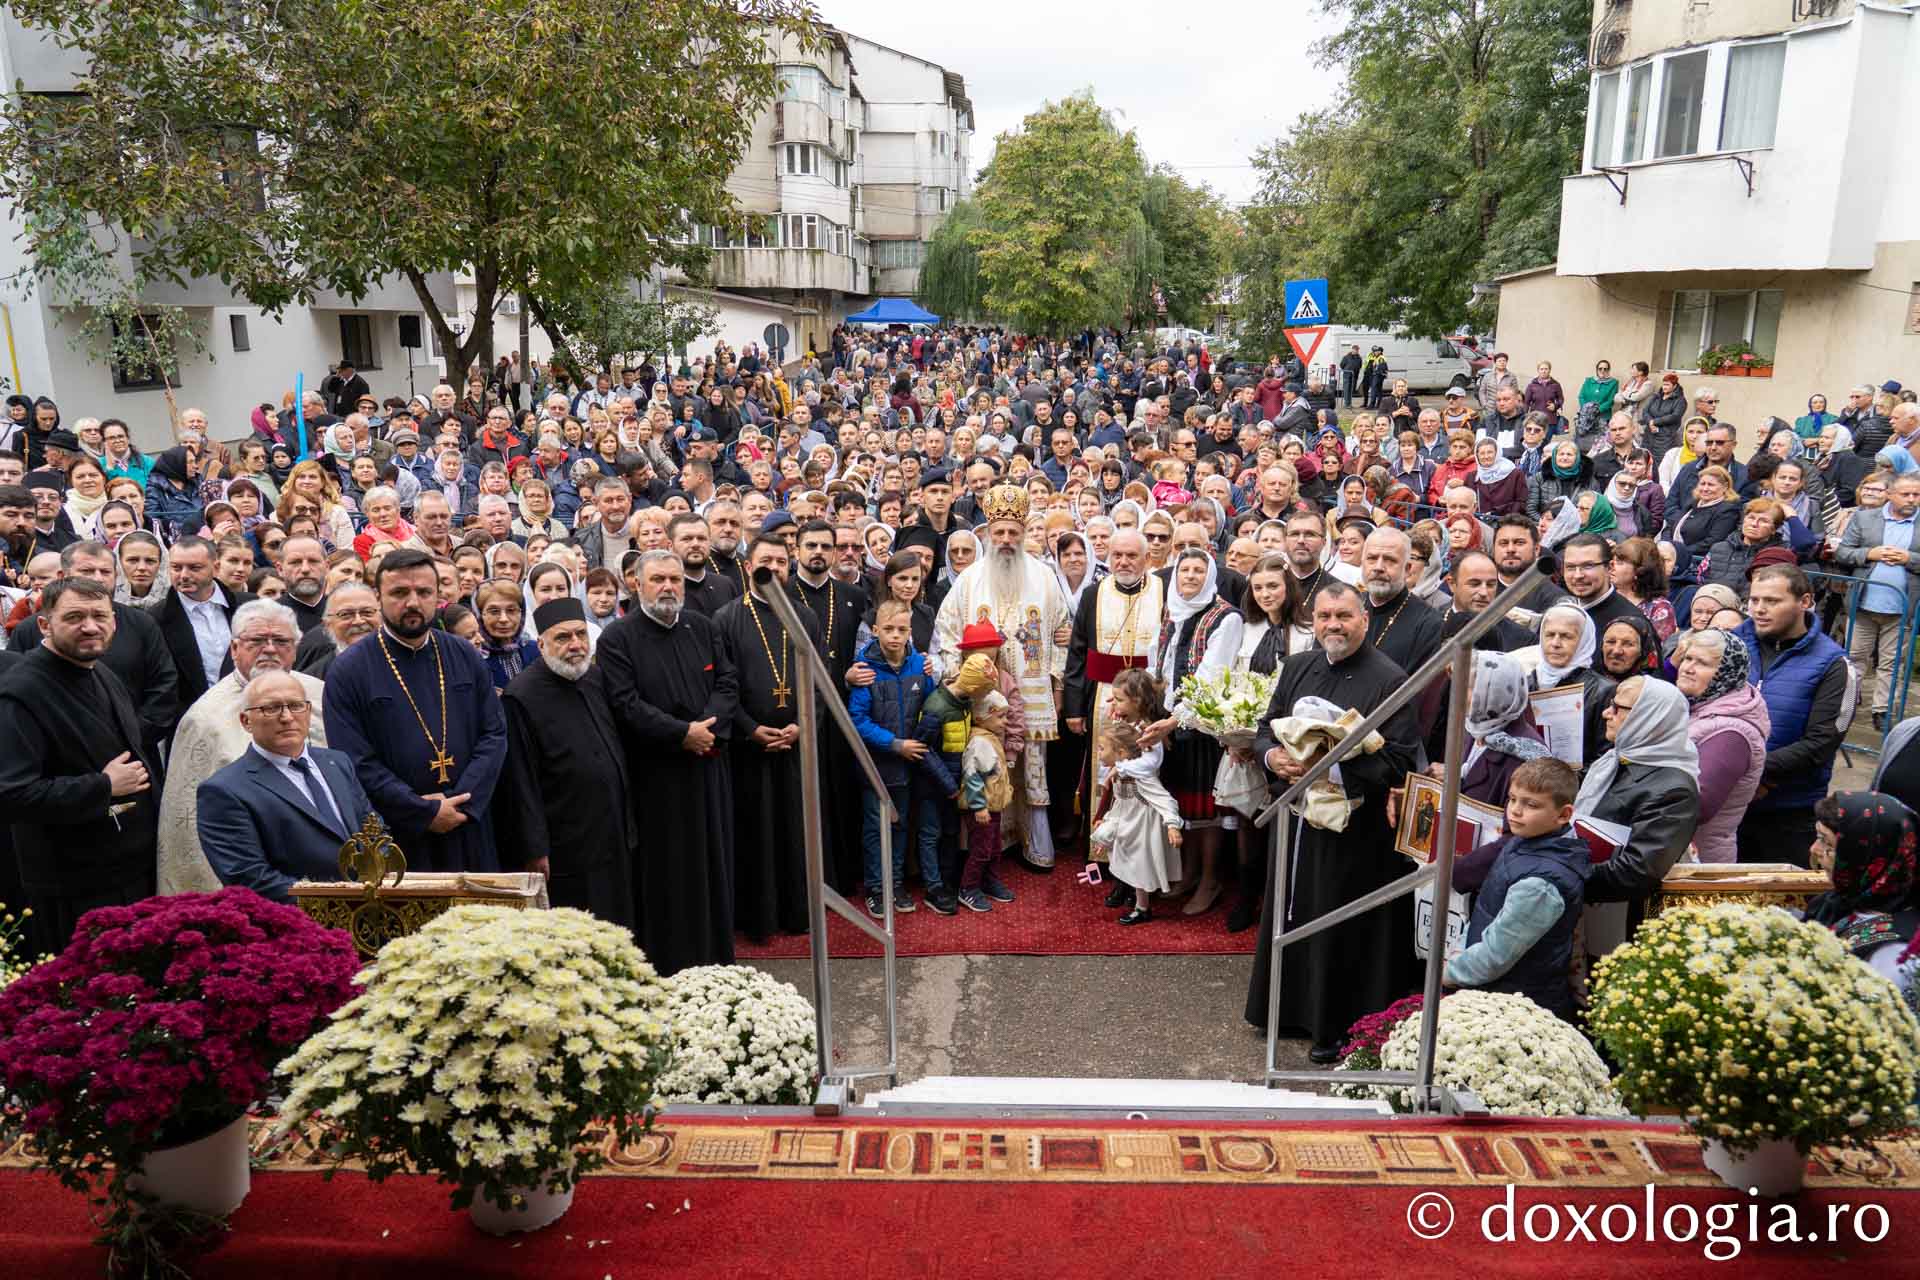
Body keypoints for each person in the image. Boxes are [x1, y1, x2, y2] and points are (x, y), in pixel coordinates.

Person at [1246, 580, 1422, 1059]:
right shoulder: (1299, 666)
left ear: (1364, 619)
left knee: (1335, 925)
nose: (1333, 626)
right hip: (1299, 819)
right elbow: (1267, 728)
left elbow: (1402, 762)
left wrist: (1333, 765)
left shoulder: (1389, 678)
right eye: (1324, 617)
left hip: (1355, 832)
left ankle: (1335, 1022)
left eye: (1343, 616)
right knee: (1292, 909)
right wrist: (1272, 759)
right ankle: (1286, 1009)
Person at [0, 577, 159, 958]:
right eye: (74, 616)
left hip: (128, 868)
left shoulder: (100, 671)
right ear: (44, 624)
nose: (90, 626)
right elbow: (12, 794)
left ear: (115, 623)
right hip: (72, 885)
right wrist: (103, 787)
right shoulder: (21, 691)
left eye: (99, 616)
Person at [323, 549, 508, 873]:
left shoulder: (463, 654)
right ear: (379, 597)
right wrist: (423, 810)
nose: (412, 602)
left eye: (423, 592)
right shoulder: (348, 670)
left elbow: (493, 733)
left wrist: (463, 801)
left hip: (469, 824)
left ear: (438, 596)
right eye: (399, 593)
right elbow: (354, 760)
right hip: (398, 834)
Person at [596, 549, 736, 973]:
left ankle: (714, 955)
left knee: (711, 866)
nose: (668, 587)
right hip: (656, 777)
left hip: (708, 767)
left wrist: (706, 729)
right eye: (658, 579)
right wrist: (682, 734)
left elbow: (728, 681)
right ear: (636, 584)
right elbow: (626, 705)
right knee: (668, 873)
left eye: (674, 579)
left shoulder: (702, 625)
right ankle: (670, 962)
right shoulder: (618, 638)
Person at [932, 485, 1070, 872]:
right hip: (983, 696)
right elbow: (946, 630)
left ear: (1024, 533)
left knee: (1031, 768)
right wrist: (958, 677)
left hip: (1032, 690)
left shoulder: (1043, 576)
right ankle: (988, 849)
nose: (1006, 540)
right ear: (988, 535)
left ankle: (1033, 846)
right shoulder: (970, 578)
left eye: (1013, 532)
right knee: (986, 765)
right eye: (1000, 533)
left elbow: (1061, 629)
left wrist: (1057, 683)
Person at [157, 599, 326, 893]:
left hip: (325, 862)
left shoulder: (321, 694)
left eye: (281, 641)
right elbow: (187, 823)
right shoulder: (205, 717)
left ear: (295, 649)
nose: (270, 648)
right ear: (235, 649)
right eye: (257, 640)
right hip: (252, 868)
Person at [496, 597, 635, 927]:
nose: (575, 645)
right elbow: (520, 780)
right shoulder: (522, 695)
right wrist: (535, 847)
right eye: (563, 638)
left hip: (613, 830)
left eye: (580, 635)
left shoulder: (594, 678)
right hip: (567, 841)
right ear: (541, 643)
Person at [712, 536, 820, 941]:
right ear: (748, 566)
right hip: (748, 748)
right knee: (755, 833)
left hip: (796, 745)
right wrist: (749, 728)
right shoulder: (726, 618)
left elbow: (820, 682)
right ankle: (758, 919)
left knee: (796, 833)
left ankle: (797, 913)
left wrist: (804, 725)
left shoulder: (804, 618)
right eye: (765, 561)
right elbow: (723, 687)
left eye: (781, 561)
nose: (773, 568)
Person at [194, 671, 372, 904]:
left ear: (308, 712)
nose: (287, 717)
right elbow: (250, 879)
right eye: (271, 708)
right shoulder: (223, 790)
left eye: (296, 706)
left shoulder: (337, 763)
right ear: (246, 721)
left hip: (371, 913)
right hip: (301, 924)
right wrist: (342, 902)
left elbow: (375, 832)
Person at [1139, 548, 1244, 916]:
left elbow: (1211, 678)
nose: (1190, 577)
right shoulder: (1172, 611)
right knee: (1182, 804)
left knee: (1205, 809)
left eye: (1199, 571)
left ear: (1210, 575)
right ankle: (1188, 873)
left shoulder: (1225, 618)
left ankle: (1211, 880)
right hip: (1170, 721)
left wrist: (1174, 719)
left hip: (1202, 724)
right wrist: (1153, 710)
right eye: (1185, 570)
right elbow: (1158, 662)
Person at [1445, 757, 1589, 1021]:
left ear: (1564, 814)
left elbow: (1496, 956)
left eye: (1531, 804)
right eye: (1512, 799)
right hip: (1496, 994)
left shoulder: (1541, 884)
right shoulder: (1525, 841)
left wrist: (1448, 972)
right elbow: (1486, 910)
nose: (1515, 811)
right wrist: (1459, 950)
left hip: (1517, 1007)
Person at [7, 539, 179, 753]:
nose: (98, 578)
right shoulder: (30, 629)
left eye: (105, 572)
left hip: (134, 753)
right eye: (87, 571)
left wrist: (131, 737)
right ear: (63, 575)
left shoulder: (141, 623)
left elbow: (163, 687)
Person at [1733, 564, 1849, 868]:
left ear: (1805, 601)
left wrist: (1755, 772)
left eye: (1772, 601)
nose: (1759, 609)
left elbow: (1821, 743)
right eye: (1754, 600)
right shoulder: (1731, 643)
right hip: (1726, 803)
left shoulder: (1834, 664)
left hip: (1787, 813)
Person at [850, 597, 957, 917]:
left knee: (900, 825)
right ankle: (875, 887)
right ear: (875, 631)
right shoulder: (865, 669)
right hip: (878, 764)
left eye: (901, 630)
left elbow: (929, 705)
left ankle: (895, 883)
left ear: (910, 632)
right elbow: (858, 720)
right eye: (888, 629)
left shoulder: (918, 665)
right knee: (875, 827)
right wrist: (895, 744)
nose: (895, 636)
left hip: (911, 765)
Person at [1580, 677, 1701, 946]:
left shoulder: (1674, 790)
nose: (1605, 713)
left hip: (1625, 927)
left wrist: (1563, 873)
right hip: (1592, 908)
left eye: (1617, 708)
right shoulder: (1616, 760)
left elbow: (1638, 871)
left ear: (1650, 718)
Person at [1832, 471, 1920, 732]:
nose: (1912, 499)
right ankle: (1847, 704)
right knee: (1854, 657)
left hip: (1903, 608)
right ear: (1890, 495)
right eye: (1906, 494)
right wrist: (1870, 553)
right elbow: (1843, 552)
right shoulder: (1864, 517)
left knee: (1892, 662)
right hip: (1862, 603)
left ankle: (1882, 710)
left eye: (1917, 494)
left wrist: (1910, 559)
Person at [1673, 628, 1770, 864]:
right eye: (1687, 658)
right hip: (1676, 853)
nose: (1687, 667)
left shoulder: (1731, 734)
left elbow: (1697, 805)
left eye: (1702, 663)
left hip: (1698, 863)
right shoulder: (1696, 706)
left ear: (1726, 672)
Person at [1804, 792, 1918, 979]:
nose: (1814, 850)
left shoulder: (1895, 956)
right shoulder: (1840, 900)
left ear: (1864, 856)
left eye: (1827, 842)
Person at [1089, 720, 1183, 925]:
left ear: (1121, 752)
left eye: (1102, 748)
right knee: (1129, 865)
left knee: (1140, 868)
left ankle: (1142, 908)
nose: (1099, 752)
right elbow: (1120, 803)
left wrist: (1173, 825)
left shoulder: (1141, 775)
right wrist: (1106, 823)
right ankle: (1138, 901)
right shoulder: (1119, 773)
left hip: (1143, 829)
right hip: (1128, 825)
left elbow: (1164, 799)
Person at [156, 534, 252, 707]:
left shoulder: (249, 605)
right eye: (176, 568)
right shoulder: (156, 617)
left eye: (194, 568)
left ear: (215, 568)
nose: (184, 575)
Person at [1527, 601, 1615, 767]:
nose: (1555, 643)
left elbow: (1604, 756)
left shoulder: (1602, 691)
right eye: (1550, 634)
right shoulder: (1525, 682)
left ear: (1584, 641)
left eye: (1566, 636)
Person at [957, 689, 1016, 913]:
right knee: (981, 849)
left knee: (994, 848)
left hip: (992, 805)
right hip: (981, 808)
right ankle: (968, 888)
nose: (1005, 721)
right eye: (1000, 717)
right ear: (981, 717)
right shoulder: (980, 742)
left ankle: (989, 881)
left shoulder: (989, 738)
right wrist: (979, 806)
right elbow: (972, 776)